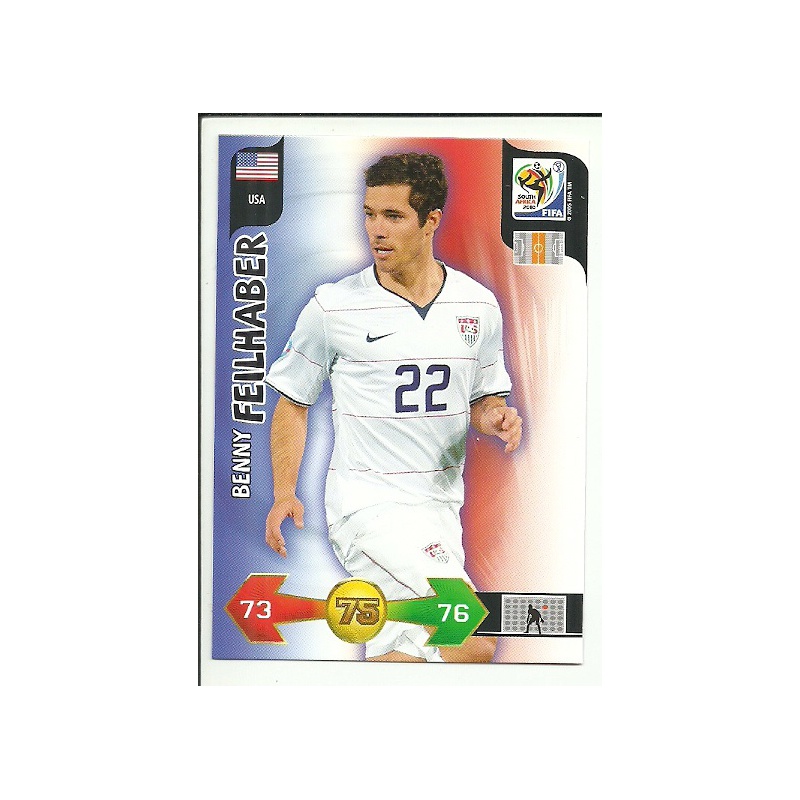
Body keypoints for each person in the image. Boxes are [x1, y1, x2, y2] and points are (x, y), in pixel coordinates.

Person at [264, 153, 522, 663]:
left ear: (430, 220)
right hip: (367, 505)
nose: (376, 230)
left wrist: (494, 417)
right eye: (369, 214)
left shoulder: (477, 306)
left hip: (439, 508)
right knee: (470, 634)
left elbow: (480, 399)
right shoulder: (333, 307)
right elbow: (293, 401)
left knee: (404, 654)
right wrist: (283, 492)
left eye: (393, 216)